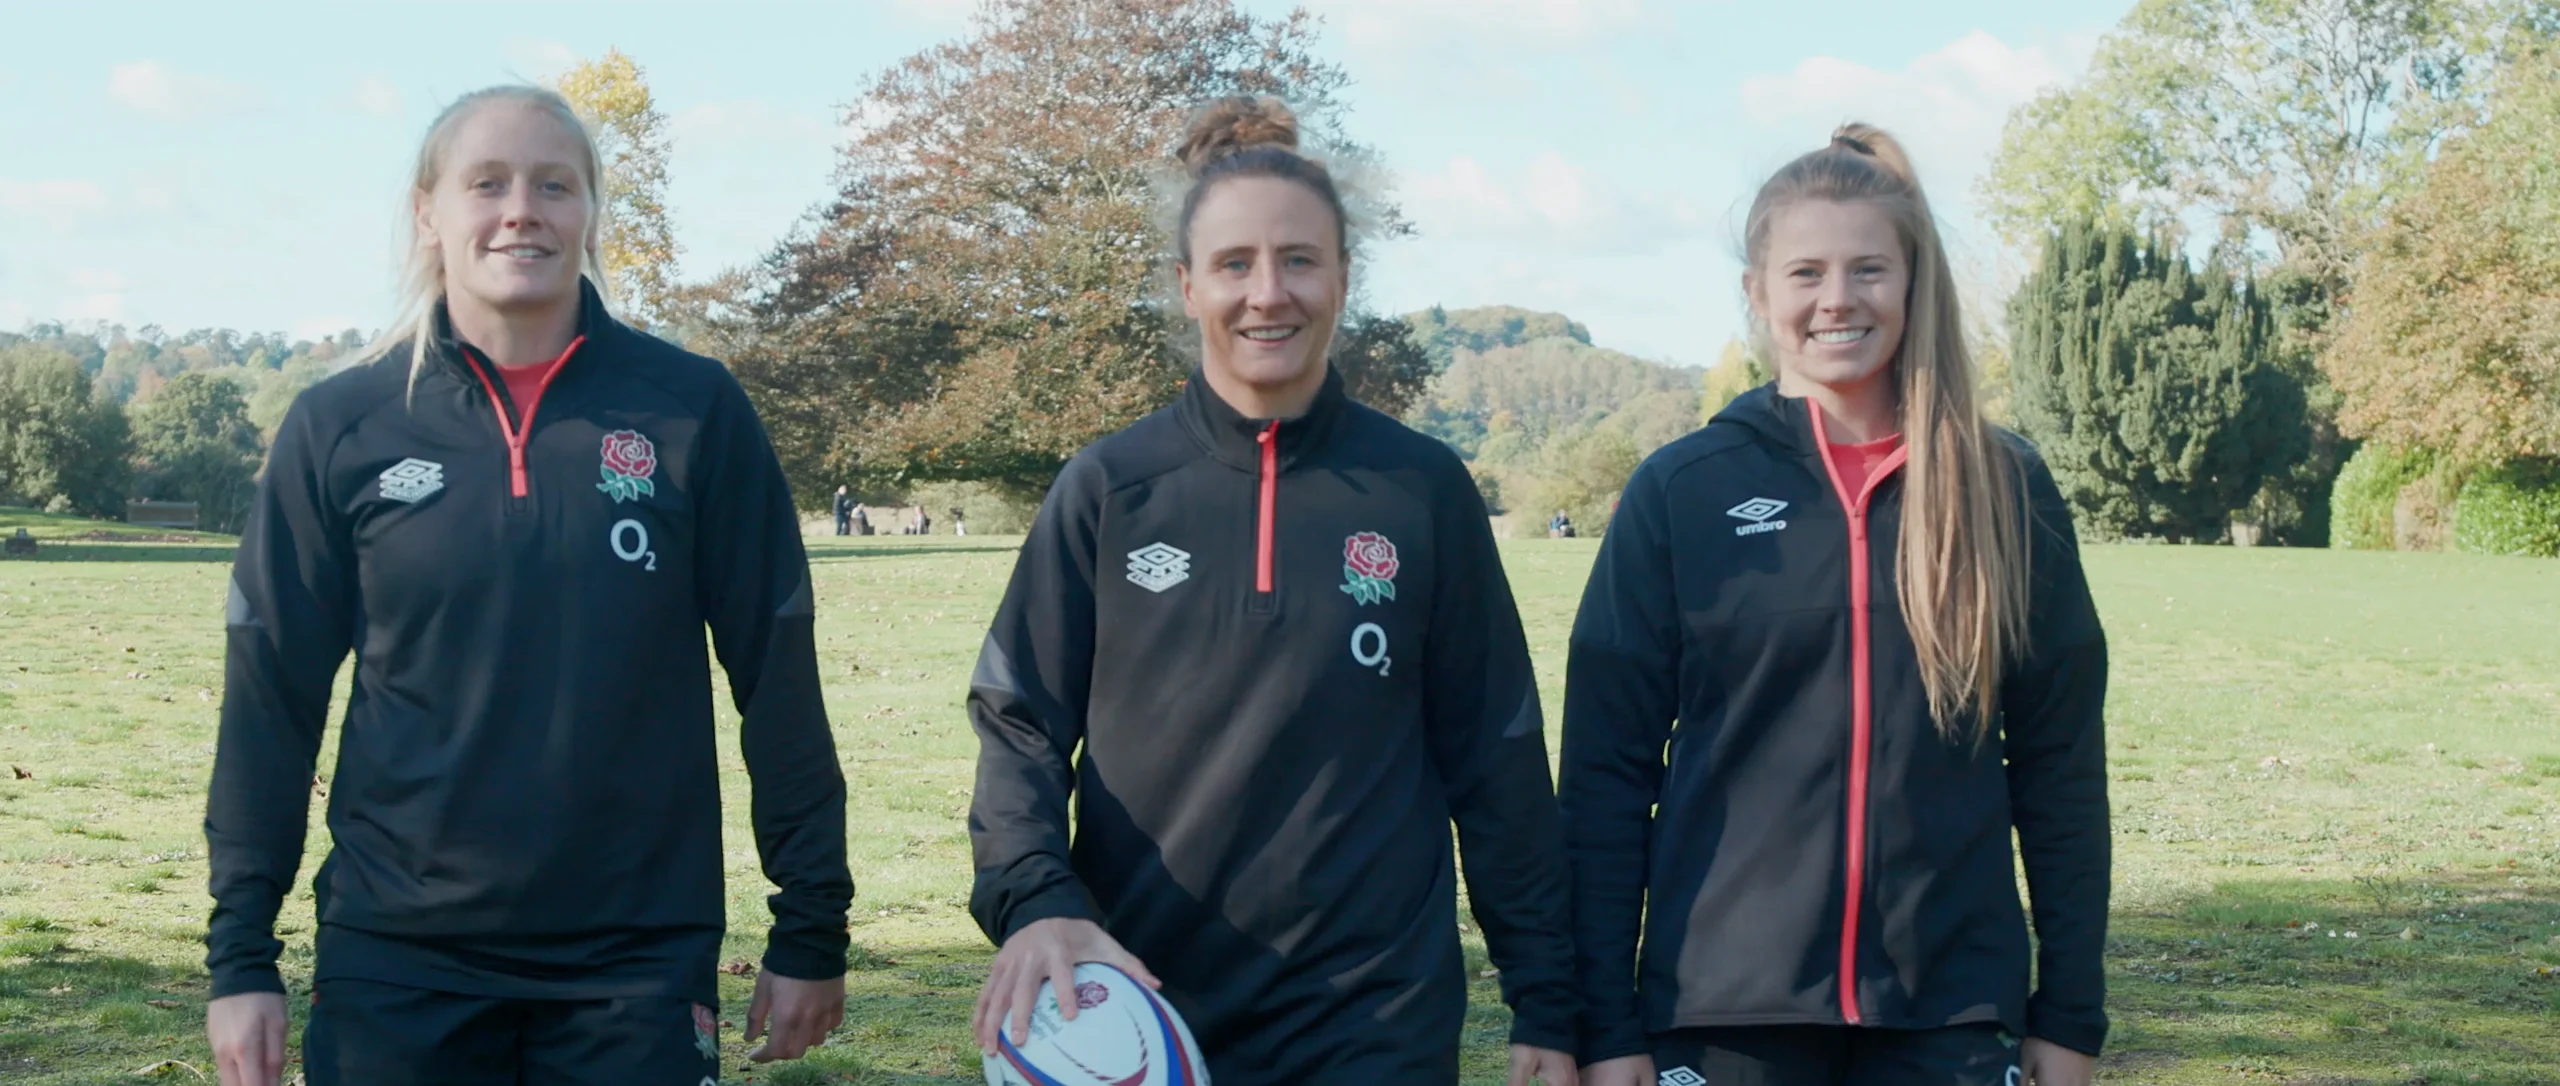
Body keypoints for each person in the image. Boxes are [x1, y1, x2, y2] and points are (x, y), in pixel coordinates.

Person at [202, 85, 853, 1086]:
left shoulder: (691, 410)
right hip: (396, 955)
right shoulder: (342, 425)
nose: (522, 210)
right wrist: (241, 956)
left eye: (554, 184)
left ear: (590, 212)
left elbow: (776, 673)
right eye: (487, 183)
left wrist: (810, 922)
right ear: (430, 213)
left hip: (634, 957)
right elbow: (269, 703)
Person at [965, 96, 1580, 1086]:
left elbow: (1496, 760)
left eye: (1298, 259)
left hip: (1372, 1023)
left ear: (1342, 277)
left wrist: (1549, 1000)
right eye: (1234, 264)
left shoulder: (1421, 489)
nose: (1268, 293)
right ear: (1185, 286)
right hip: (1142, 1008)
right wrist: (1039, 901)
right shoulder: (1110, 490)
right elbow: (1019, 722)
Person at [1560, 124, 2109, 1086]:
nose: (1837, 300)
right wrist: (1603, 1026)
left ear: (1912, 281)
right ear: (1757, 292)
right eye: (1806, 271)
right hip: (1721, 1009)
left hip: (1949, 1009)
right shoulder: (1681, 490)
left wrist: (2068, 1015)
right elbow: (1606, 778)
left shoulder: (2004, 486)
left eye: (1868, 270)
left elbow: (2061, 771)